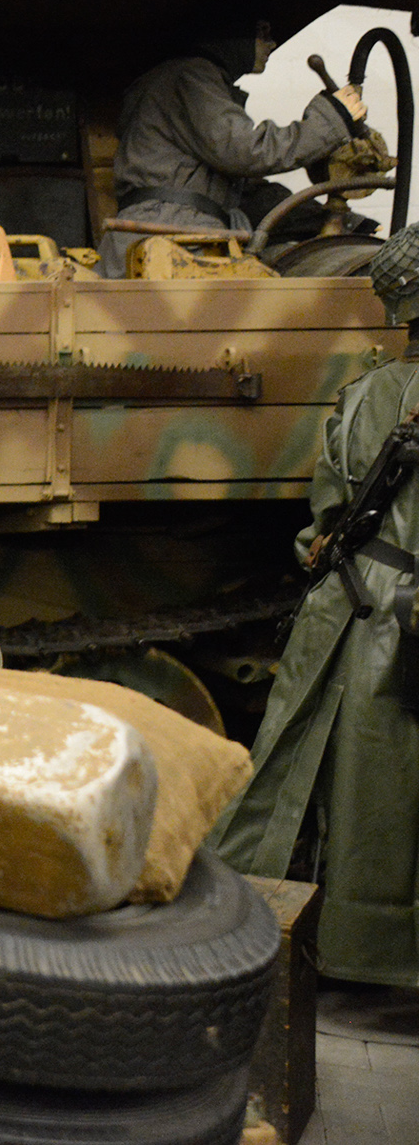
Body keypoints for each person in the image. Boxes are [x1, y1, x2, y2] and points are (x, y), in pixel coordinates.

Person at [211, 224, 419, 987]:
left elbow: (325, 511)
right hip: (399, 624)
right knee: (385, 799)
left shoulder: (365, 392)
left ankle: (240, 929)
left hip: (349, 609)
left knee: (300, 777)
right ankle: (380, 953)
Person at [97, 26, 366, 277]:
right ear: (231, 30)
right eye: (262, 32)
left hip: (167, 232)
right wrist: (331, 119)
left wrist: (340, 222)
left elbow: (251, 192)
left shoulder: (187, 81)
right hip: (169, 237)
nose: (271, 43)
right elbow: (247, 152)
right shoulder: (189, 76)